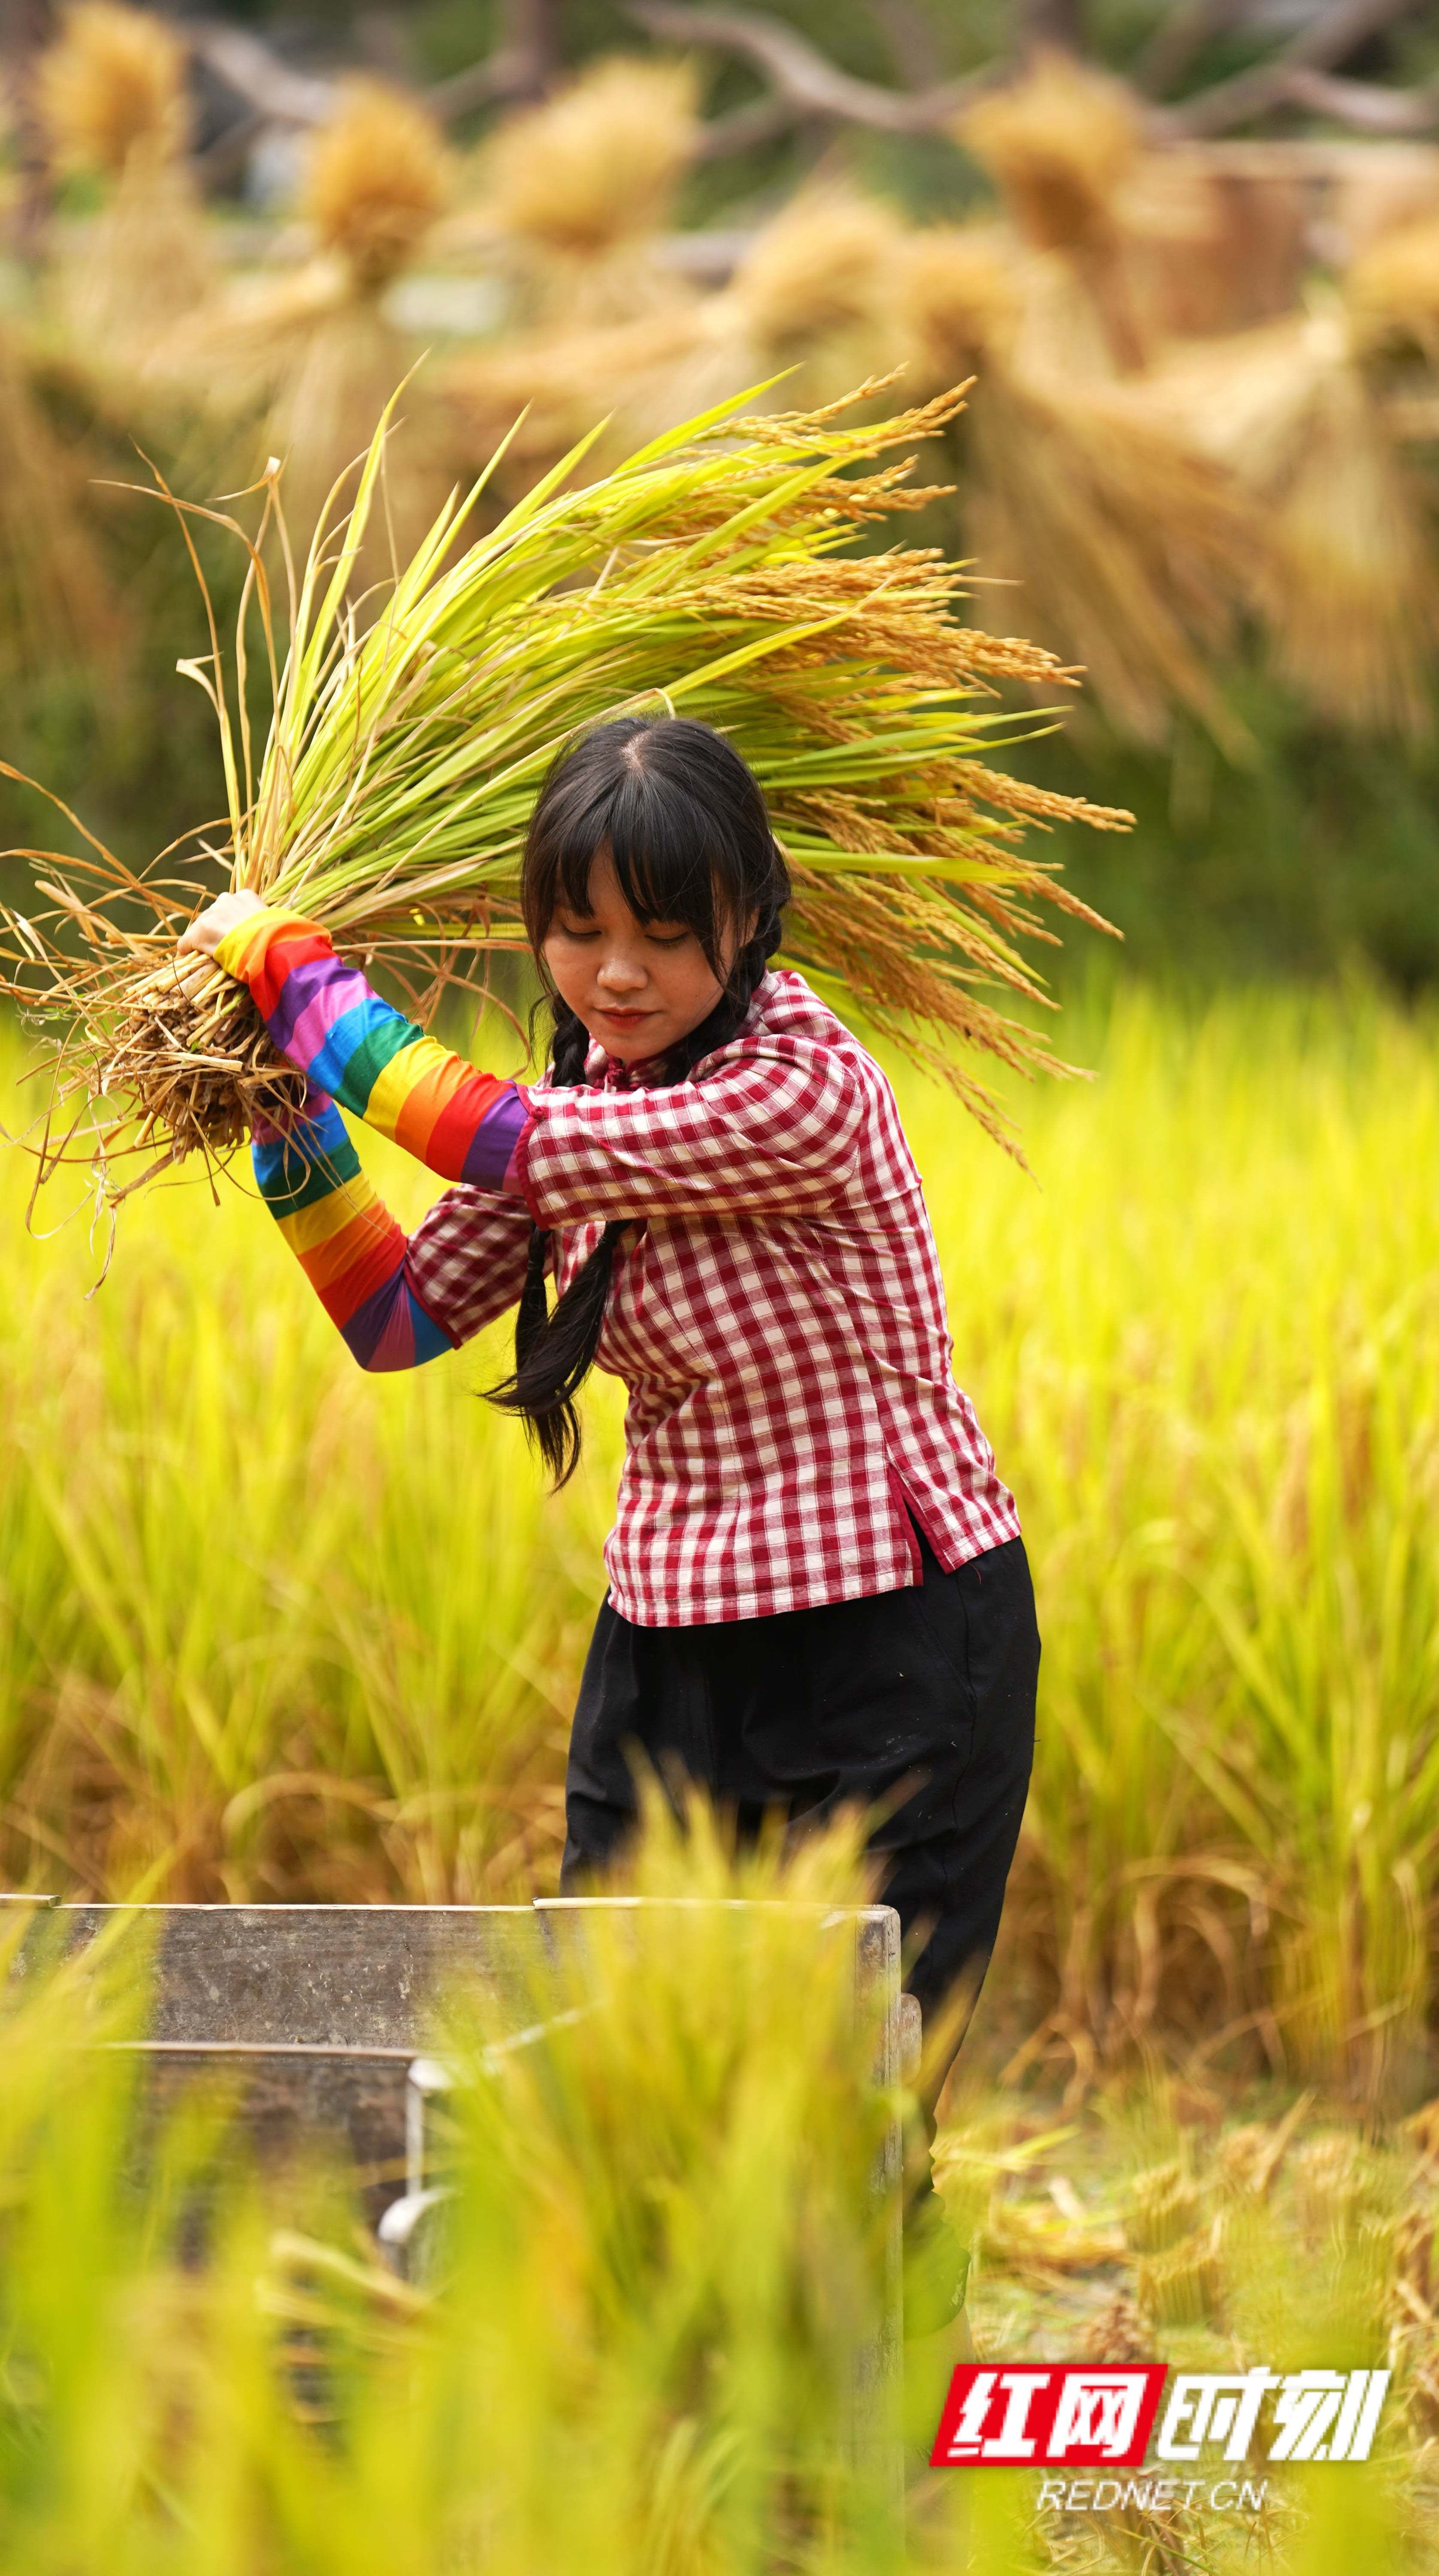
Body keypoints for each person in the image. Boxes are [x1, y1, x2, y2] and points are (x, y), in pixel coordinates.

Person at [182, 714, 1039, 2330]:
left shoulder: (804, 1092)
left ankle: (870, 2442)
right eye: (576, 931)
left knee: (840, 2115)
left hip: (894, 1651)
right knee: (606, 2071)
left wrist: (290, 971)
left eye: (661, 932)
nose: (615, 974)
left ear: (748, 915)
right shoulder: (593, 1082)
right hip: (671, 1648)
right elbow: (395, 1313)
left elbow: (490, 1137)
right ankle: (642, 2441)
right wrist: (272, 1105)